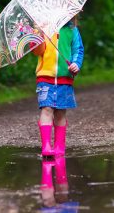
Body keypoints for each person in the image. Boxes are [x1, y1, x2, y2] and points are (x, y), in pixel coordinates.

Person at [32, 16, 84, 156]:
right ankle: (47, 146)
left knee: (60, 112)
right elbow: (37, 51)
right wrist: (38, 33)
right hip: (45, 77)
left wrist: (76, 64)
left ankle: (59, 146)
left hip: (64, 78)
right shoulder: (43, 28)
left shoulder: (72, 30)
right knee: (47, 108)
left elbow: (78, 50)